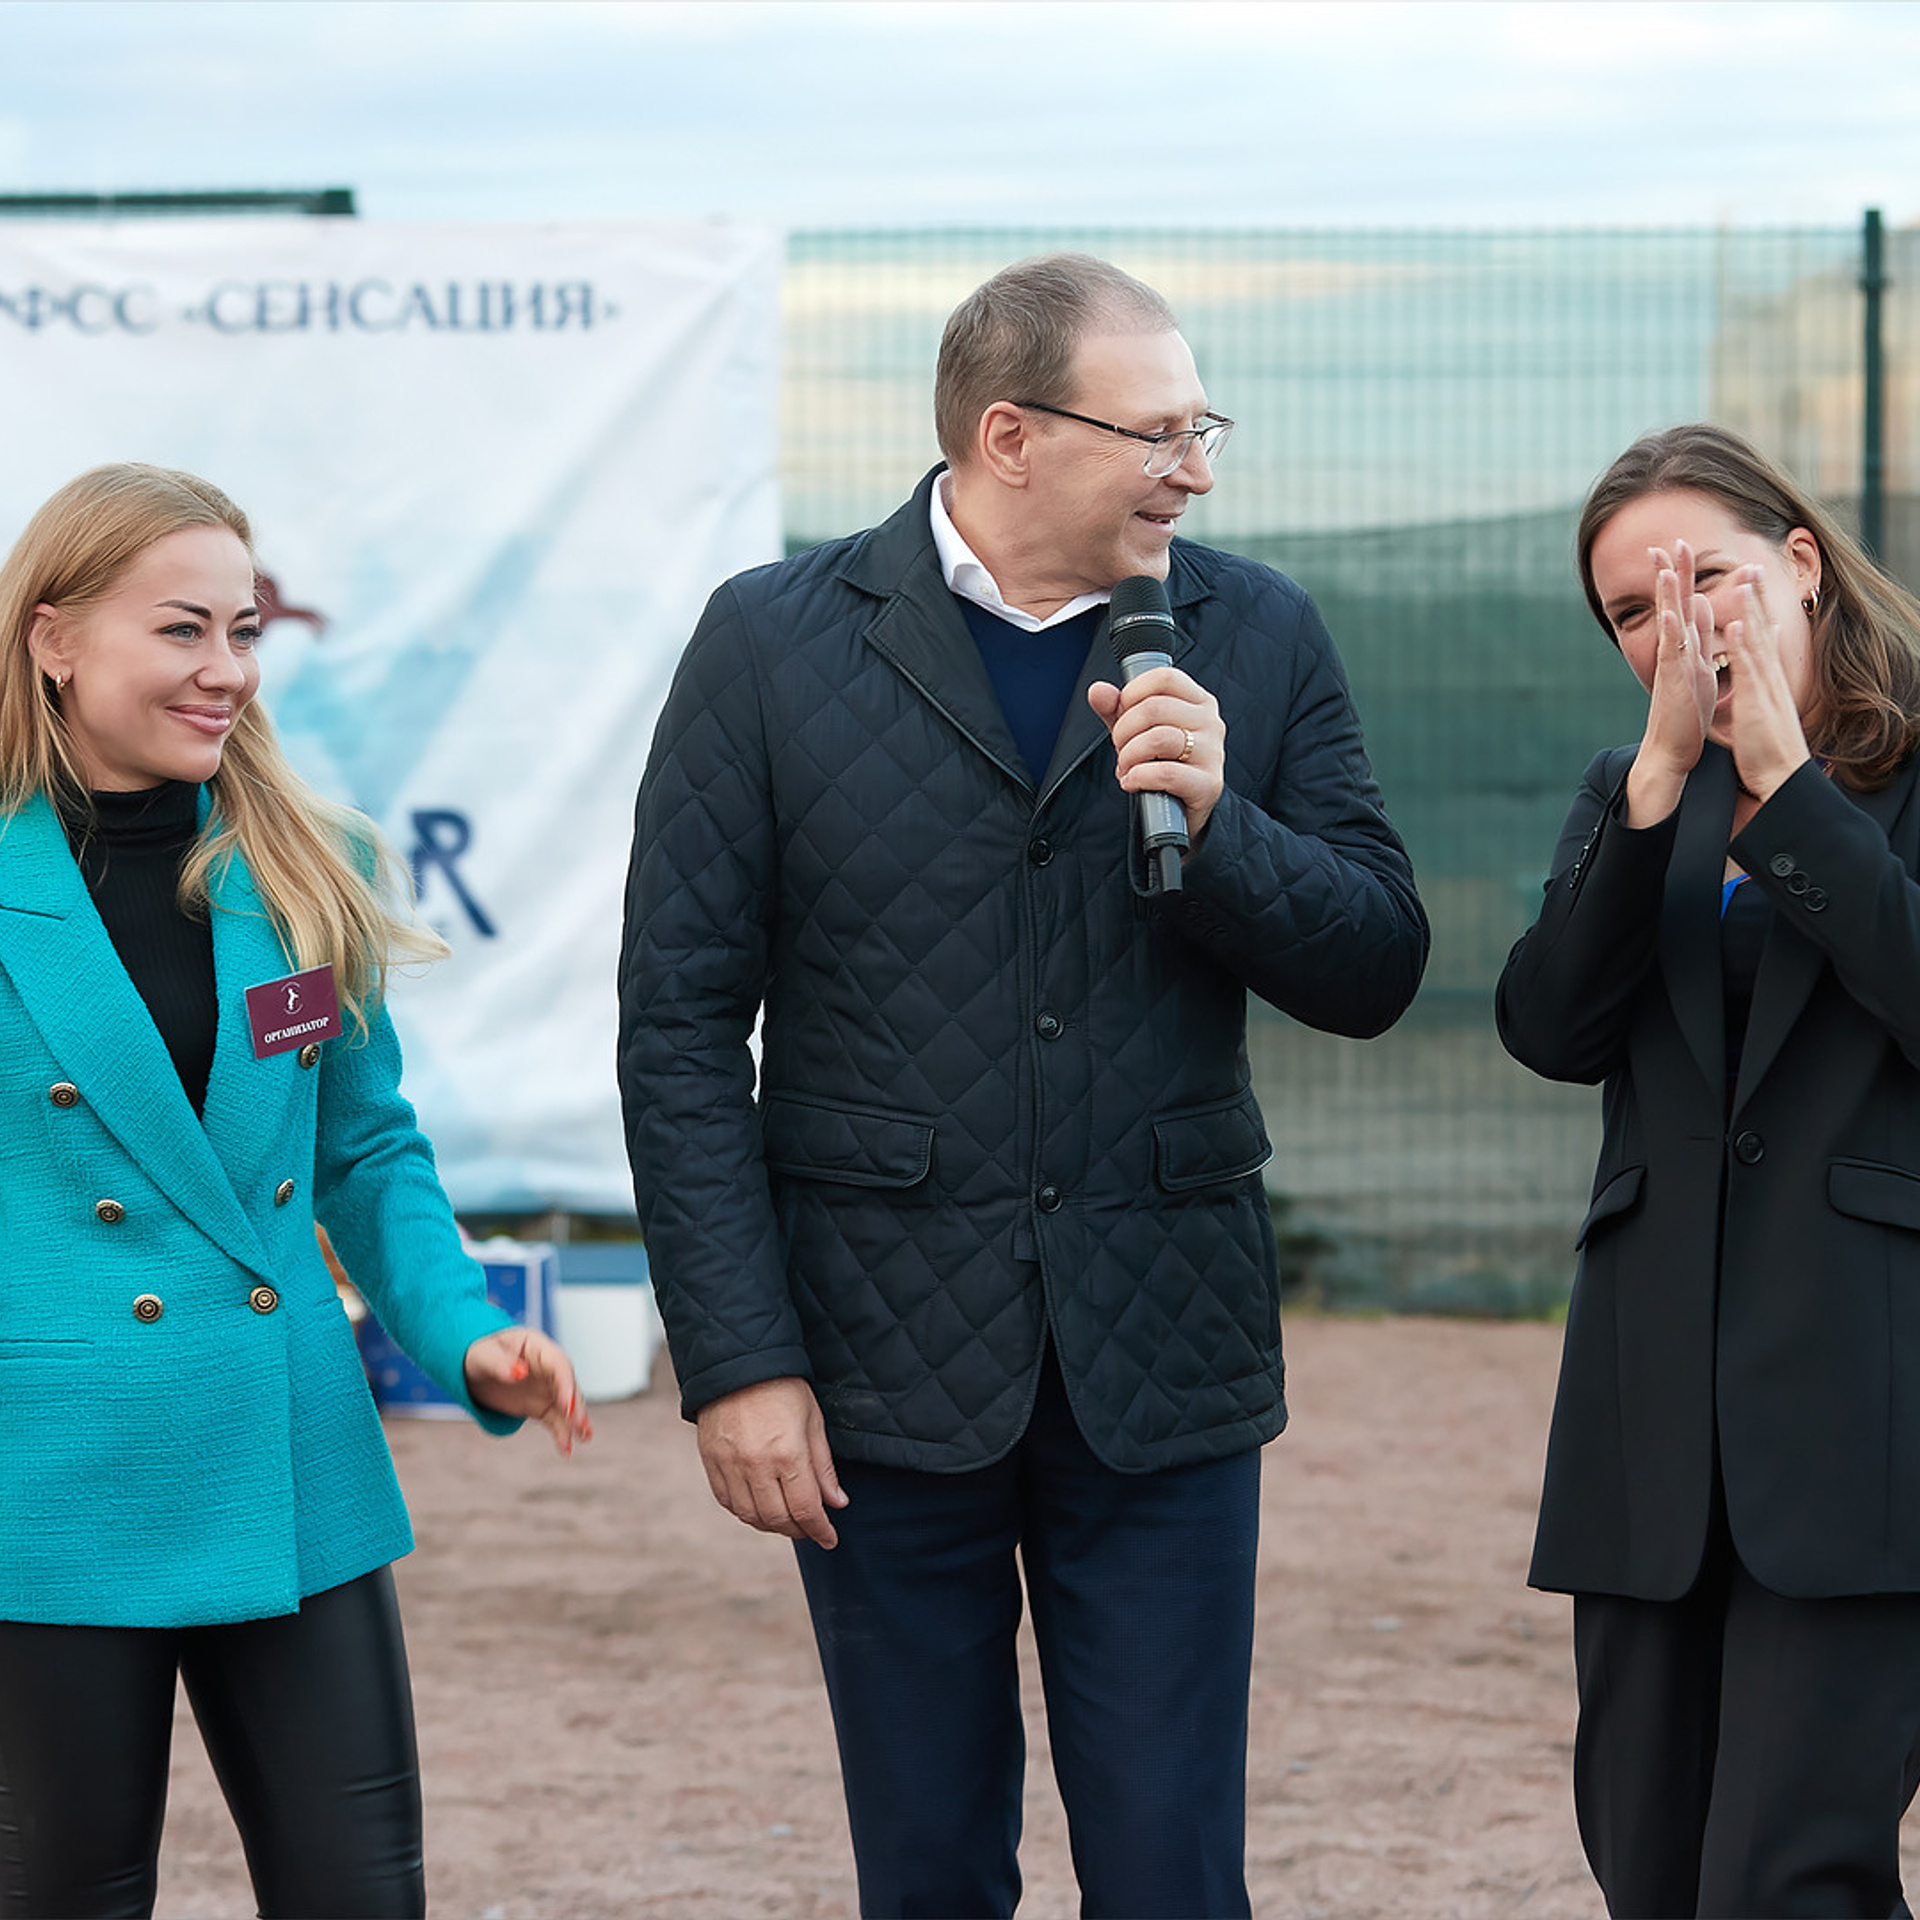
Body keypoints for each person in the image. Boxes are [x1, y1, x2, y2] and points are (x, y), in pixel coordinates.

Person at [618, 252, 1427, 1918]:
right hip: (875, 1370)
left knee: (1171, 1867)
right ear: (1009, 434)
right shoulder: (770, 643)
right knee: (924, 1868)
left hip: (1166, 1356)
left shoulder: (1257, 631)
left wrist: (1223, 830)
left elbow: (1377, 964)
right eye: (1159, 433)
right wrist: (738, 1360)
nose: (1196, 468)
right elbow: (681, 1021)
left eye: (1204, 428)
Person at [0, 462, 593, 1920]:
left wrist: (466, 1336)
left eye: (246, 633)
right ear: (55, 640)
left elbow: (365, 1151)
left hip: (291, 1463)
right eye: (183, 631)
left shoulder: (312, 868)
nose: (225, 674)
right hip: (48, 1484)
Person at [1497, 422, 1920, 1918]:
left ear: (1800, 567)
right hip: (1647, 1426)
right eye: (1630, 608)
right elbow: (1553, 1026)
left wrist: (1793, 791)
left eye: (1707, 578)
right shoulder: (1634, 794)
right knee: (1654, 1876)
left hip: (1865, 1425)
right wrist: (1667, 775)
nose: (1673, 627)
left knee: (1785, 1882)